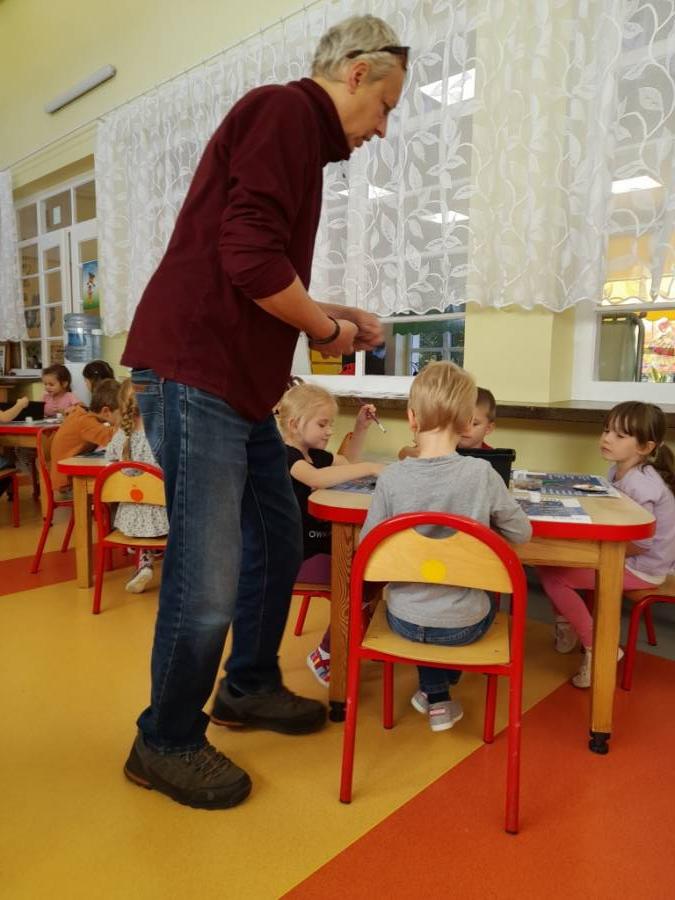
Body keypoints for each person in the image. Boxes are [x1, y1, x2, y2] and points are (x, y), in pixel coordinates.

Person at [119, 15, 408, 809]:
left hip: (238, 384)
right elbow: (247, 259)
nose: (382, 128)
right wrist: (326, 331)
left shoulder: (299, 140)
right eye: (385, 106)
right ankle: (165, 739)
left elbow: (255, 264)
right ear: (355, 73)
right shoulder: (282, 110)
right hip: (196, 370)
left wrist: (330, 309)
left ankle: (246, 684)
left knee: (277, 539)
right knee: (208, 572)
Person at [360, 362, 532, 732]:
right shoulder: (482, 475)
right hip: (463, 626)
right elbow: (521, 533)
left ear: (411, 418)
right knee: (476, 605)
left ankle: (434, 693)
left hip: (403, 620)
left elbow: (367, 550)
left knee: (427, 605)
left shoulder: (391, 478)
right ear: (468, 423)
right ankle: (437, 695)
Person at [538, 401, 675, 688]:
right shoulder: (617, 471)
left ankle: (598, 647)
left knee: (554, 576)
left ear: (645, 447)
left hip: (642, 567)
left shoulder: (641, 485)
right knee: (549, 559)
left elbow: (642, 545)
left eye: (619, 435)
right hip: (626, 555)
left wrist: (591, 551)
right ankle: (568, 625)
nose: (607, 439)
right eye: (606, 430)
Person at [278, 382, 384, 685]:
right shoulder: (286, 456)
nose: (329, 431)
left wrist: (360, 428)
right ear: (294, 424)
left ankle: (355, 632)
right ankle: (326, 652)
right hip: (298, 557)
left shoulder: (315, 454)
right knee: (359, 578)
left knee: (376, 568)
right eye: (322, 424)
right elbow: (316, 478)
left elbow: (346, 463)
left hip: (325, 545)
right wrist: (371, 468)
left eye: (331, 425)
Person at [104, 379, 168, 594]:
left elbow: (110, 460)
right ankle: (170, 566)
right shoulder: (161, 433)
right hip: (165, 514)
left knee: (141, 508)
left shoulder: (123, 434)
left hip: (129, 516)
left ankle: (145, 564)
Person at [50, 379, 119, 496]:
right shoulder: (85, 421)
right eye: (122, 413)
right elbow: (111, 438)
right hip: (68, 484)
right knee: (113, 486)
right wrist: (125, 424)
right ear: (106, 411)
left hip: (70, 475)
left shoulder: (83, 414)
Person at [399, 384, 497, 460]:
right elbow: (403, 453)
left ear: (488, 428)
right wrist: (418, 453)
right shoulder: (443, 448)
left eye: (474, 424)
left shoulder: (493, 457)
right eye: (460, 420)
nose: (465, 428)